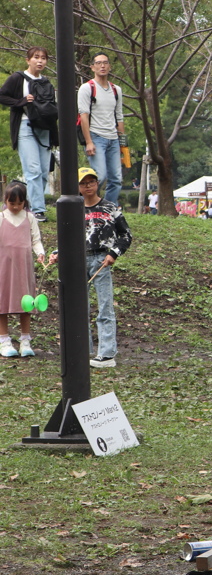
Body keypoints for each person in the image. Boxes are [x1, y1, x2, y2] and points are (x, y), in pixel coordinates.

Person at [49, 168, 133, 367]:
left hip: (101, 261)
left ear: (97, 183)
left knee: (104, 306)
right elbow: (67, 238)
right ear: (77, 187)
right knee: (78, 307)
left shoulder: (110, 207)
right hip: (78, 261)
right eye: (83, 183)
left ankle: (107, 354)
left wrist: (113, 254)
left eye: (91, 182)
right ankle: (82, 351)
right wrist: (57, 253)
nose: (88, 186)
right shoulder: (74, 210)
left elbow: (126, 235)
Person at [0, 47, 53, 220]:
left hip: (44, 128)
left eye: (43, 58)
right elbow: (2, 96)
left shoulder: (46, 82)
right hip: (25, 126)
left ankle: (31, 205)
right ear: (27, 60)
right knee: (33, 170)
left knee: (45, 171)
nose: (40, 61)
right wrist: (20, 101)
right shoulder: (17, 78)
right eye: (36, 57)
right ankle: (38, 210)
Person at [0, 181, 45, 358]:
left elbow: (36, 240)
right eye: (12, 203)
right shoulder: (1, 217)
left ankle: (25, 340)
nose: (16, 207)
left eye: (20, 203)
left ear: (25, 202)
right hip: (3, 267)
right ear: (5, 201)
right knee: (2, 302)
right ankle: (4, 340)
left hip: (24, 267)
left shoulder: (30, 218)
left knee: (26, 302)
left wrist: (40, 253)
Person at [78, 52, 125, 207]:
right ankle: (85, 204)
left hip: (113, 138)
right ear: (92, 67)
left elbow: (119, 117)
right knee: (100, 176)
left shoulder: (116, 90)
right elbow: (84, 116)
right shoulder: (87, 88)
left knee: (116, 179)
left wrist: (122, 143)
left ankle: (109, 209)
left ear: (110, 66)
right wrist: (89, 142)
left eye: (105, 62)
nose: (102, 66)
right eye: (98, 63)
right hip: (96, 136)